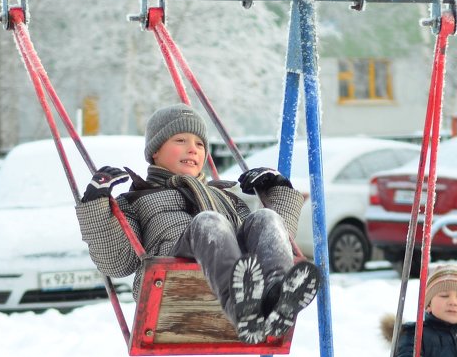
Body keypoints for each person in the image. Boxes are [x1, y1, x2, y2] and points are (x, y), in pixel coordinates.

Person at [75, 104, 318, 344]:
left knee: (265, 218)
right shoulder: (137, 199)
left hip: (239, 275)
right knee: (209, 223)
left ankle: (277, 295)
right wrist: (96, 204)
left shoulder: (226, 196)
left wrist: (279, 190)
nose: (193, 149)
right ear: (155, 151)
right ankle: (241, 305)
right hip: (171, 284)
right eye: (180, 140)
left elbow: (275, 241)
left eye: (200, 144)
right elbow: (116, 263)